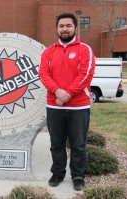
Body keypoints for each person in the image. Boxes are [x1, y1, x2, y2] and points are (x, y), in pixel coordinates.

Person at [39, 12, 95, 191]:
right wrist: (57, 91)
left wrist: (67, 94)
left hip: (79, 106)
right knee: (56, 143)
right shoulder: (48, 52)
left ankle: (78, 175)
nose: (64, 29)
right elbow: (43, 74)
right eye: (61, 26)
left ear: (75, 28)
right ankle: (58, 172)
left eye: (68, 26)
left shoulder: (84, 49)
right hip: (54, 105)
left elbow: (85, 75)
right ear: (56, 29)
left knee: (78, 144)